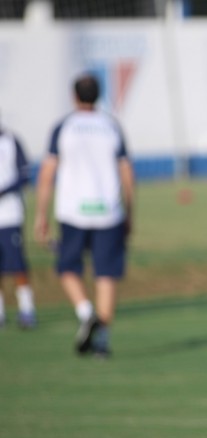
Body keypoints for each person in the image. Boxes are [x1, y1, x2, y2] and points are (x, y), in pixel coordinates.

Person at [34, 73, 135, 357]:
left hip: (73, 211)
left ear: (74, 96)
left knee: (67, 268)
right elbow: (127, 173)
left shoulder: (64, 127)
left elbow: (47, 173)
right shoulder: (111, 125)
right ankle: (101, 341)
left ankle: (85, 311)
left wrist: (40, 214)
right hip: (109, 211)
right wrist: (130, 212)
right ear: (98, 95)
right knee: (106, 274)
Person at [0, 124, 36, 329]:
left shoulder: (11, 141)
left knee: (17, 264)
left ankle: (27, 309)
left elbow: (24, 175)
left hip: (9, 214)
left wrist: (3, 191)